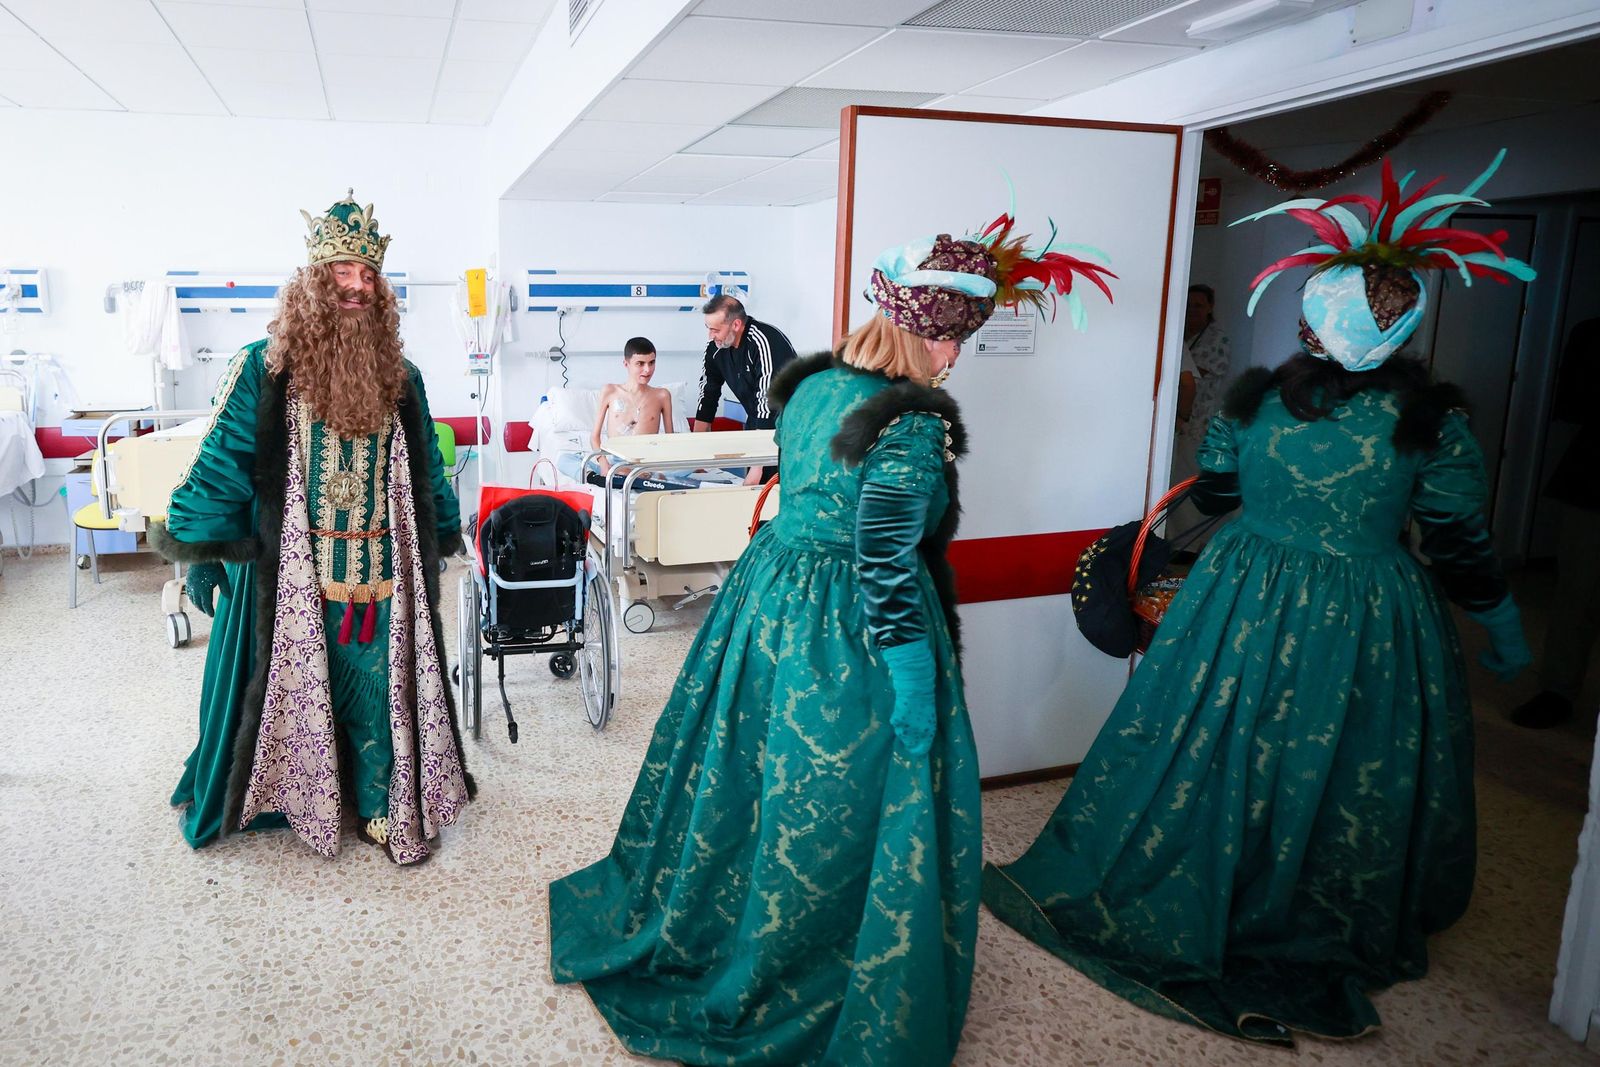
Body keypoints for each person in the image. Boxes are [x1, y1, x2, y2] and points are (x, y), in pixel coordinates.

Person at [982, 154, 1535, 1046]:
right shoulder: (1434, 425)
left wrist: (1201, 533)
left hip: (1243, 591)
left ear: (1314, 320)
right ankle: (1306, 894)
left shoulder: (1257, 405)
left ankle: (1197, 867)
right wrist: (1503, 625)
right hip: (1369, 609)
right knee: (1348, 751)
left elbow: (1219, 494)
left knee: (1210, 736)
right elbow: (1461, 542)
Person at [549, 218, 1112, 1064]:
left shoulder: (813, 387)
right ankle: (810, 957)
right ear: (920, 328)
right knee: (839, 798)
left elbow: (806, 488)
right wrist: (918, 688)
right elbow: (885, 563)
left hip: (768, 597)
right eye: (953, 340)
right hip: (845, 627)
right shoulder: (913, 423)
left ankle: (727, 918)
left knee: (753, 772)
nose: (956, 359)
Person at [151, 190, 472, 866]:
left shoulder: (402, 376)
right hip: (294, 574)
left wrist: (442, 534)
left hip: (382, 569)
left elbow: (427, 469)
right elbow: (223, 464)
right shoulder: (263, 369)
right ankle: (303, 794)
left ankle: (382, 801)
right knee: (295, 690)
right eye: (341, 272)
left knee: (380, 685)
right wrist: (210, 556)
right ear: (311, 283)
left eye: (367, 274)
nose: (356, 286)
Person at [1511, 316, 1599, 728]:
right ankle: (1558, 690)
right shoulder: (1593, 332)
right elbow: (1570, 404)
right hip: (1593, 481)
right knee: (1577, 590)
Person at [694, 294, 796, 483]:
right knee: (752, 494)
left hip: (789, 427)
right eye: (708, 329)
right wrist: (697, 458)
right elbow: (707, 395)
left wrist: (758, 467)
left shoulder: (765, 341)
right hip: (756, 424)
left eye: (716, 330)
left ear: (736, 325)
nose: (710, 335)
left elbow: (769, 404)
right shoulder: (715, 348)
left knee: (771, 488)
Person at [588, 336, 672, 478]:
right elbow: (594, 437)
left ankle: (640, 476)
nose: (647, 369)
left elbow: (670, 441)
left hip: (647, 462)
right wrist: (604, 465)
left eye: (652, 363)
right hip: (616, 461)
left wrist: (663, 468)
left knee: (692, 467)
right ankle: (612, 475)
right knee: (565, 460)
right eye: (640, 363)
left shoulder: (662, 396)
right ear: (626, 364)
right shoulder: (610, 391)